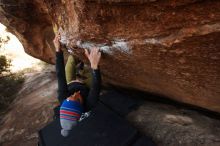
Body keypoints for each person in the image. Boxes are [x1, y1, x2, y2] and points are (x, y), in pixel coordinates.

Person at [53, 33, 101, 137]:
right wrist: (94, 66)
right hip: (85, 85)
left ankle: (77, 57)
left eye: (70, 96)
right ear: (81, 105)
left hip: (71, 82)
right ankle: (83, 67)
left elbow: (60, 75)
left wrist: (58, 50)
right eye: (78, 99)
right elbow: (96, 86)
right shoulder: (90, 104)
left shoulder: (62, 98)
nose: (76, 93)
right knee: (88, 68)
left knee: (71, 60)